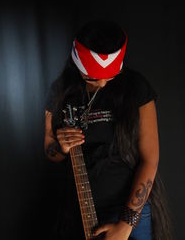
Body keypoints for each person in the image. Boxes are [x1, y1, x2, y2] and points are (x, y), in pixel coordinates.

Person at [44, 20, 173, 240]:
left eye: (110, 77)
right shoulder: (61, 90)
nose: (103, 84)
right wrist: (61, 147)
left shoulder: (136, 87)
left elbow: (150, 159)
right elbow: (50, 150)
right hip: (80, 212)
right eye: (93, 78)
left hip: (130, 213)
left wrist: (125, 225)